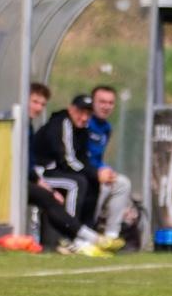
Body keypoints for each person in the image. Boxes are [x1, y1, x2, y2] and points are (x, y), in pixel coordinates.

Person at [30, 91, 121, 256]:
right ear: (71, 110)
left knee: (91, 182)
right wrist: (94, 173)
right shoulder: (62, 123)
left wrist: (97, 174)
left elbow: (82, 159)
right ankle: (70, 236)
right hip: (41, 173)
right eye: (80, 112)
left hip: (57, 173)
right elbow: (68, 161)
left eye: (88, 114)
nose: (84, 117)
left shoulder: (83, 129)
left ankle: (86, 235)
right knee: (76, 183)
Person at [85, 85, 137, 246]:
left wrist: (107, 169)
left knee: (122, 183)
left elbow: (98, 156)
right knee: (102, 186)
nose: (106, 106)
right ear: (92, 103)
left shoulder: (106, 128)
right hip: (82, 172)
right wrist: (97, 172)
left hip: (96, 170)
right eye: (102, 102)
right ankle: (87, 233)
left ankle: (111, 236)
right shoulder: (84, 122)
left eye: (110, 103)